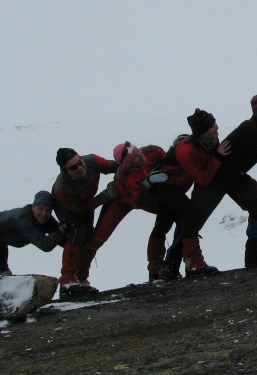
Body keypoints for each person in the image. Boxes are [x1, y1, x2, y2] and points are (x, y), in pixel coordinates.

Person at [168, 91, 257, 269]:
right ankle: (170, 266)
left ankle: (254, 256)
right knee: (192, 221)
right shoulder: (251, 130)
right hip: (216, 178)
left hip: (235, 176)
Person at [147, 109, 230, 281]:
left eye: (214, 123)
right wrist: (218, 157)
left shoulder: (211, 141)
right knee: (188, 215)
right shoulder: (186, 150)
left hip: (173, 186)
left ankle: (160, 269)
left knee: (163, 224)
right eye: (211, 126)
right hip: (165, 187)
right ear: (201, 132)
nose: (216, 127)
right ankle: (194, 264)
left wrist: (216, 155)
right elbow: (203, 179)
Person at [52, 148, 121, 296]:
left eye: (79, 162)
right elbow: (77, 209)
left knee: (88, 235)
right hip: (68, 207)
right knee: (77, 231)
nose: (80, 167)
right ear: (65, 171)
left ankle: (81, 278)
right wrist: (103, 198)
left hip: (86, 200)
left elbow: (114, 166)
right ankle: (67, 279)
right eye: (73, 167)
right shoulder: (63, 188)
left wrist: (128, 170)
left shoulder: (92, 161)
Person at [0, 190, 67, 274]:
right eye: (40, 209)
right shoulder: (23, 219)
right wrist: (60, 230)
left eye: (48, 210)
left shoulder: (46, 220)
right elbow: (45, 245)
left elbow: (62, 239)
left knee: (3, 271)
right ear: (33, 207)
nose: (44, 213)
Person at [109, 141, 167, 280]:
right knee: (164, 224)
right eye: (134, 156)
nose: (140, 155)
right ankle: (157, 266)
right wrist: (147, 185)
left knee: (165, 224)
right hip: (152, 201)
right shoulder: (126, 179)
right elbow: (138, 203)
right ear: (129, 164)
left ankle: (159, 266)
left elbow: (168, 160)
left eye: (137, 151)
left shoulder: (152, 151)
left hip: (165, 192)